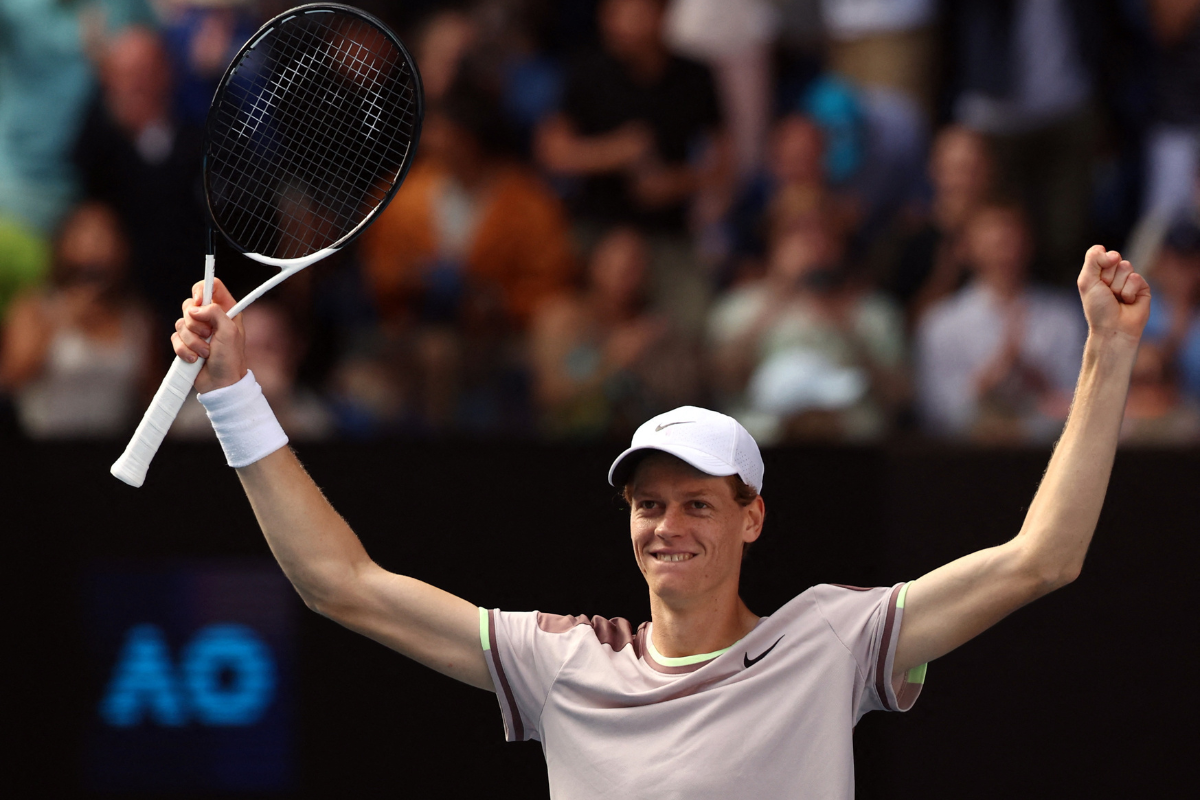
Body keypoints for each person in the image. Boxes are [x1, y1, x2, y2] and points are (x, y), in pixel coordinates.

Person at [170, 243, 1150, 796]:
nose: (665, 524)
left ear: (751, 517)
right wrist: (233, 392)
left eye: (695, 501)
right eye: (647, 503)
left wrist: (1106, 356)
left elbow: (1042, 558)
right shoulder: (567, 659)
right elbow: (341, 583)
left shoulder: (833, 638)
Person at [916, 203, 1085, 441]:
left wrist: (1041, 384)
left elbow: (1082, 406)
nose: (1003, 252)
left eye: (1010, 240)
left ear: (1028, 243)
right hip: (965, 460)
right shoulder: (941, 322)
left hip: (1048, 456)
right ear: (966, 248)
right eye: (993, 242)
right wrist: (988, 379)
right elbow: (935, 413)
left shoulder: (1062, 316)